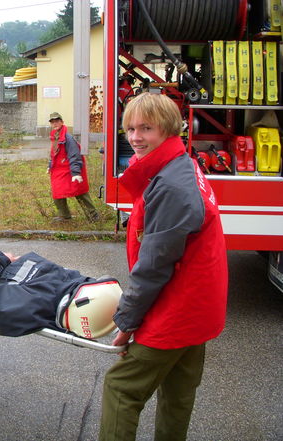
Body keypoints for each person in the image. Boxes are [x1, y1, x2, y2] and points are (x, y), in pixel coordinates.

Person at [98, 93, 228, 441]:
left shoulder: (171, 184)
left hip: (178, 308)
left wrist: (127, 322)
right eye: (130, 128)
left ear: (168, 129)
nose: (136, 137)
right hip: (199, 307)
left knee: (121, 388)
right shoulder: (181, 166)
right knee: (178, 392)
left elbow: (154, 266)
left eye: (146, 128)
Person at [47, 112, 98, 222]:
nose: (55, 123)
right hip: (59, 170)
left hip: (70, 169)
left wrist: (76, 173)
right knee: (57, 193)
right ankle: (64, 215)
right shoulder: (55, 136)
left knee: (80, 192)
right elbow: (53, 154)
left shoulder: (67, 137)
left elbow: (74, 154)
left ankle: (93, 216)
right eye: (53, 122)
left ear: (62, 122)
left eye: (57, 121)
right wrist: (50, 165)